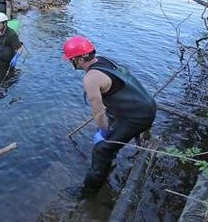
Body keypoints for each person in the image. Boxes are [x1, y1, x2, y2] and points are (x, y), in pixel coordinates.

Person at [62, 36, 156, 199]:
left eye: (72, 59)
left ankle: (88, 193)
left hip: (137, 116)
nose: (71, 63)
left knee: (101, 150)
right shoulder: (104, 60)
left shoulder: (90, 78)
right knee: (111, 129)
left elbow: (98, 113)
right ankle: (122, 151)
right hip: (147, 104)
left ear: (80, 59)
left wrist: (104, 133)